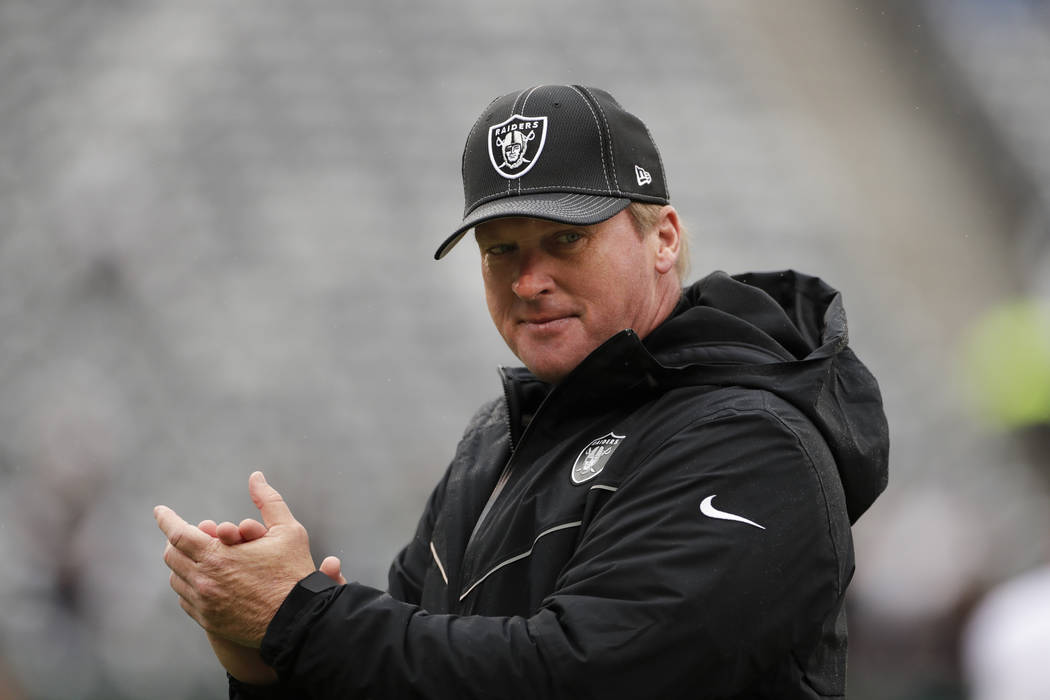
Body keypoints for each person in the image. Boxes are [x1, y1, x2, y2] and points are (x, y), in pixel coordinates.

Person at [156, 84, 889, 699]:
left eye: (565, 241)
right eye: (500, 249)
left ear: (662, 238)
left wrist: (305, 620)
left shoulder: (752, 440)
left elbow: (584, 675)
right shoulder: (494, 442)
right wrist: (265, 661)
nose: (528, 281)